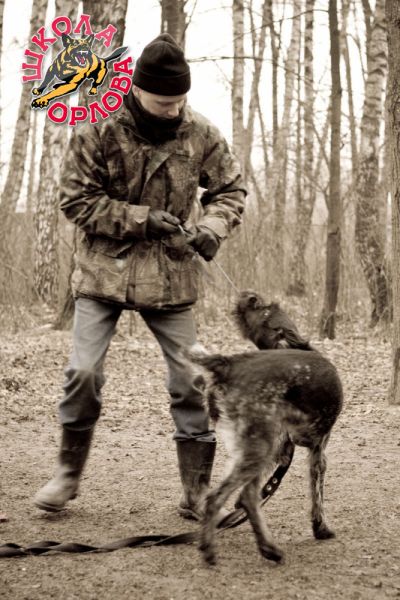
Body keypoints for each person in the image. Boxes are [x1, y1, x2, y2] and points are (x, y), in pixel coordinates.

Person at [33, 33, 246, 520]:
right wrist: (140, 219)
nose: (174, 109)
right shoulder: (98, 130)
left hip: (171, 275)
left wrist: (213, 227)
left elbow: (231, 190)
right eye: (163, 101)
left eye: (180, 100)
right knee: (83, 372)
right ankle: (67, 474)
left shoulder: (201, 133)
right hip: (102, 273)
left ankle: (197, 492)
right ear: (136, 90)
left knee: (192, 379)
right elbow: (76, 201)